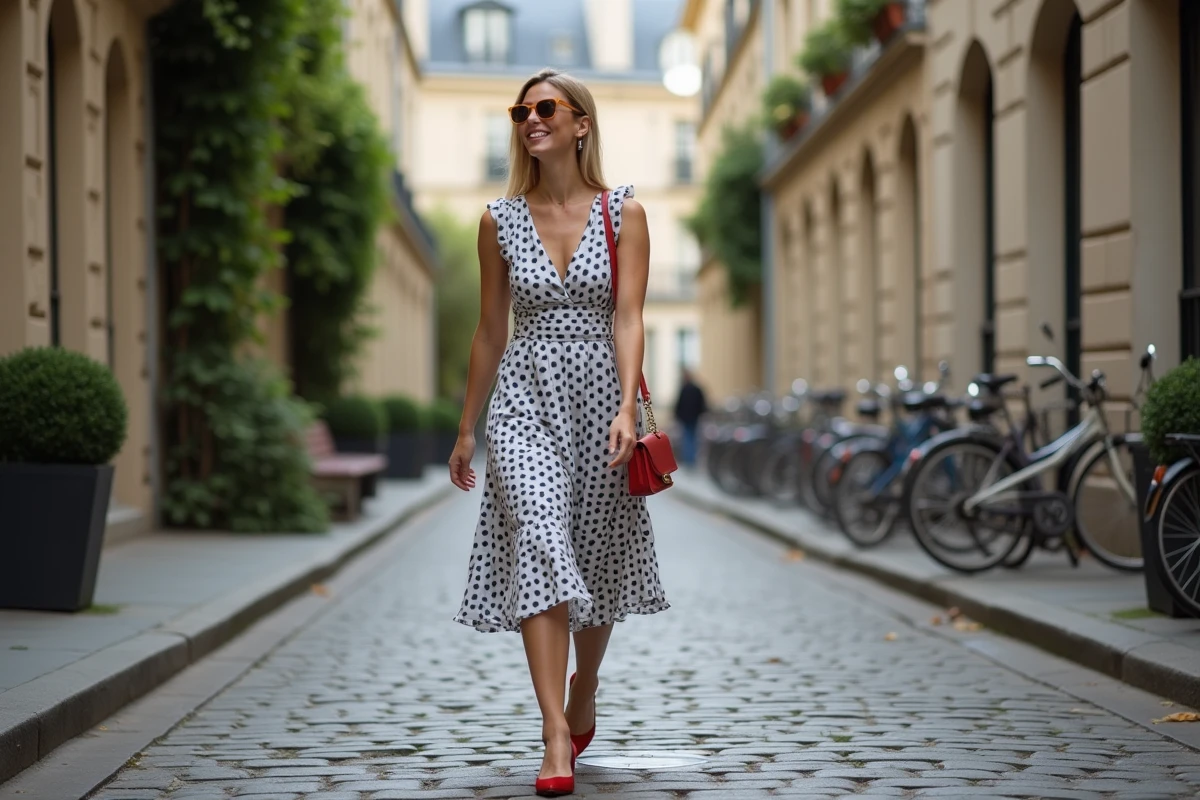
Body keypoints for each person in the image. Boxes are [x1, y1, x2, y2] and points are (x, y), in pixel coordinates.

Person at [447, 68, 669, 798]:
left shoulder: (623, 213)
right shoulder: (498, 220)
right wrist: (467, 429)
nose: (530, 119)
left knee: (596, 559)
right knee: (541, 538)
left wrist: (628, 409)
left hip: (602, 401)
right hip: (523, 403)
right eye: (521, 111)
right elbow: (488, 331)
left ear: (581, 124)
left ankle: (586, 684)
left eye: (546, 108)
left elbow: (629, 316)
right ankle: (552, 732)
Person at [673, 368, 708, 467]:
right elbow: (702, 403)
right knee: (692, 437)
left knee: (687, 437)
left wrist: (677, 415)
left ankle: (688, 458)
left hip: (686, 417)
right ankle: (691, 459)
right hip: (694, 417)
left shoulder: (684, 389)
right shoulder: (697, 389)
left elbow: (679, 404)